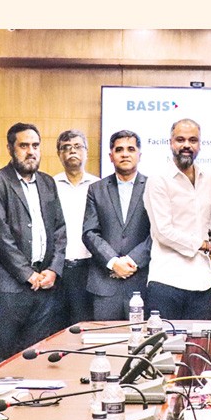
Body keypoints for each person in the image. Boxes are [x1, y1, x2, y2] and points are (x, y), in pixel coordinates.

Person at [0, 123, 66, 368]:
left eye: (35, 146)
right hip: (11, 286)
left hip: (45, 285)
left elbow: (60, 230)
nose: (31, 151)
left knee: (37, 358)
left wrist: (54, 269)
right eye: (24, 146)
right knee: (3, 361)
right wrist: (27, 274)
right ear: (10, 148)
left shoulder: (48, 182)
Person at [143, 118, 211, 320]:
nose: (186, 145)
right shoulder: (158, 180)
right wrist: (208, 247)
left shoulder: (208, 178)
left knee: (200, 341)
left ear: (199, 144)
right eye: (180, 140)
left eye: (193, 140)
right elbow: (163, 232)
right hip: (167, 282)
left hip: (203, 282)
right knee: (164, 341)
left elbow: (210, 218)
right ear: (170, 143)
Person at [82, 130, 152, 320]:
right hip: (105, 284)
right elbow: (89, 232)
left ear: (139, 155)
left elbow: (158, 233)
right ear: (111, 156)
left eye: (131, 149)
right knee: (105, 337)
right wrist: (114, 262)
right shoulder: (96, 189)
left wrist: (132, 260)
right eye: (119, 150)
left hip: (141, 283)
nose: (125, 154)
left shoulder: (153, 187)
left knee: (141, 338)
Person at [54, 129, 99, 329]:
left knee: (85, 327)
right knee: (58, 329)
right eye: (66, 147)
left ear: (86, 152)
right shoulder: (50, 185)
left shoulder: (99, 185)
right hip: (58, 269)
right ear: (59, 154)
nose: (72, 151)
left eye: (77, 146)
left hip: (90, 268)